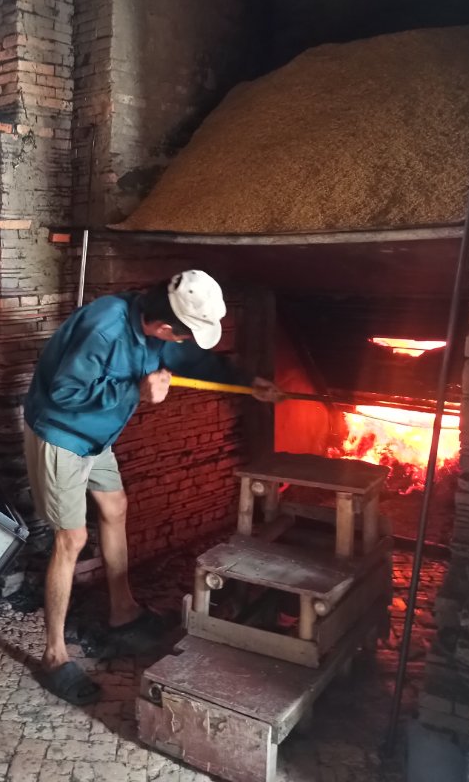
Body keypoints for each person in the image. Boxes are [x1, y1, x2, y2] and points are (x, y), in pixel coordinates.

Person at [22, 269, 282, 704]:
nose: (178, 344)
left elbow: (191, 361)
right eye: (180, 337)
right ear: (165, 326)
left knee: (116, 506)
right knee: (71, 538)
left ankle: (123, 612)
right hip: (63, 433)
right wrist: (136, 390)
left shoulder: (156, 325)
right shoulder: (104, 328)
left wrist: (245, 382)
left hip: (97, 435)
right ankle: (54, 655)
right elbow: (66, 393)